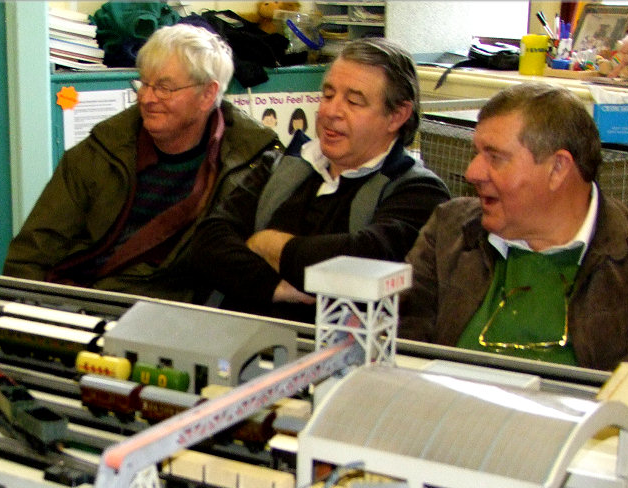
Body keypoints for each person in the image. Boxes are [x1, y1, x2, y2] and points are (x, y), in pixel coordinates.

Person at [3, 23, 282, 302]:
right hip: (80, 302)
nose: (147, 98)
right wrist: (26, 312)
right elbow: (30, 255)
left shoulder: (252, 166)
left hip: (172, 312)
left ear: (208, 94)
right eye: (145, 83)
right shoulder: (100, 151)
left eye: (164, 88)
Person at [186, 37, 450, 320]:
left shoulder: (420, 193)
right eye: (327, 95)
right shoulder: (278, 165)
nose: (330, 112)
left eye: (354, 101)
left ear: (397, 115)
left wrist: (265, 244)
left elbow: (362, 263)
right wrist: (276, 287)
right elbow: (207, 243)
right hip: (236, 333)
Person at [400, 82, 628, 371]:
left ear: (558, 168)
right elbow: (401, 353)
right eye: (476, 154)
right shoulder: (450, 231)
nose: (472, 172)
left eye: (495, 157)